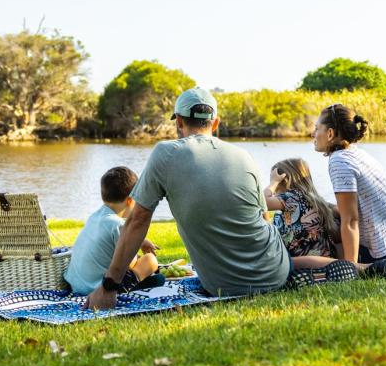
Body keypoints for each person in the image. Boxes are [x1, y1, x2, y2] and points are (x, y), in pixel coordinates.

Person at [84, 87, 294, 308]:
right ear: (215, 123)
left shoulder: (165, 154)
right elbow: (264, 219)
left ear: (179, 122)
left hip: (224, 285)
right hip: (275, 275)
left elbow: (137, 220)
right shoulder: (244, 156)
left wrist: (108, 287)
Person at [312, 104, 386, 266]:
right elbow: (354, 210)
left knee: (313, 223)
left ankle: (354, 264)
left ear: (329, 133)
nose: (312, 134)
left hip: (384, 254)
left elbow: (350, 220)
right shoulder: (355, 153)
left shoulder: (339, 161)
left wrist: (352, 267)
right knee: (322, 209)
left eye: (316, 129)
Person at [64, 166, 162, 295]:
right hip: (100, 289)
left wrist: (141, 241)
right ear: (131, 200)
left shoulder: (94, 217)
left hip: (76, 286)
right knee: (151, 262)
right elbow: (128, 264)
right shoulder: (119, 225)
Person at [264, 158, 342, 259]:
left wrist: (273, 183)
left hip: (299, 259)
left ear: (284, 180)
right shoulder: (314, 200)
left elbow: (262, 201)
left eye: (273, 179)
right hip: (324, 257)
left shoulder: (291, 198)